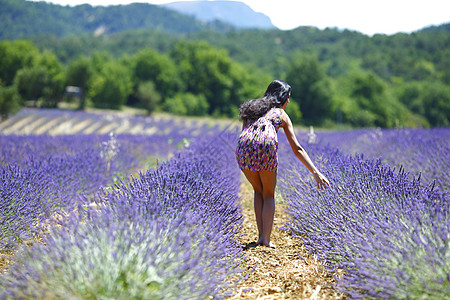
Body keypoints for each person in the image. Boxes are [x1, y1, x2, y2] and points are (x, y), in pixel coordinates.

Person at [235, 80, 330, 248]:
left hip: (244, 148)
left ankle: (259, 237)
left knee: (258, 190)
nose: (289, 101)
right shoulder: (280, 114)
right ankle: (266, 239)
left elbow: (244, 133)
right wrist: (315, 172)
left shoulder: (251, 108)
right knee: (269, 194)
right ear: (282, 97)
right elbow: (297, 148)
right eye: (288, 97)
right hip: (266, 148)